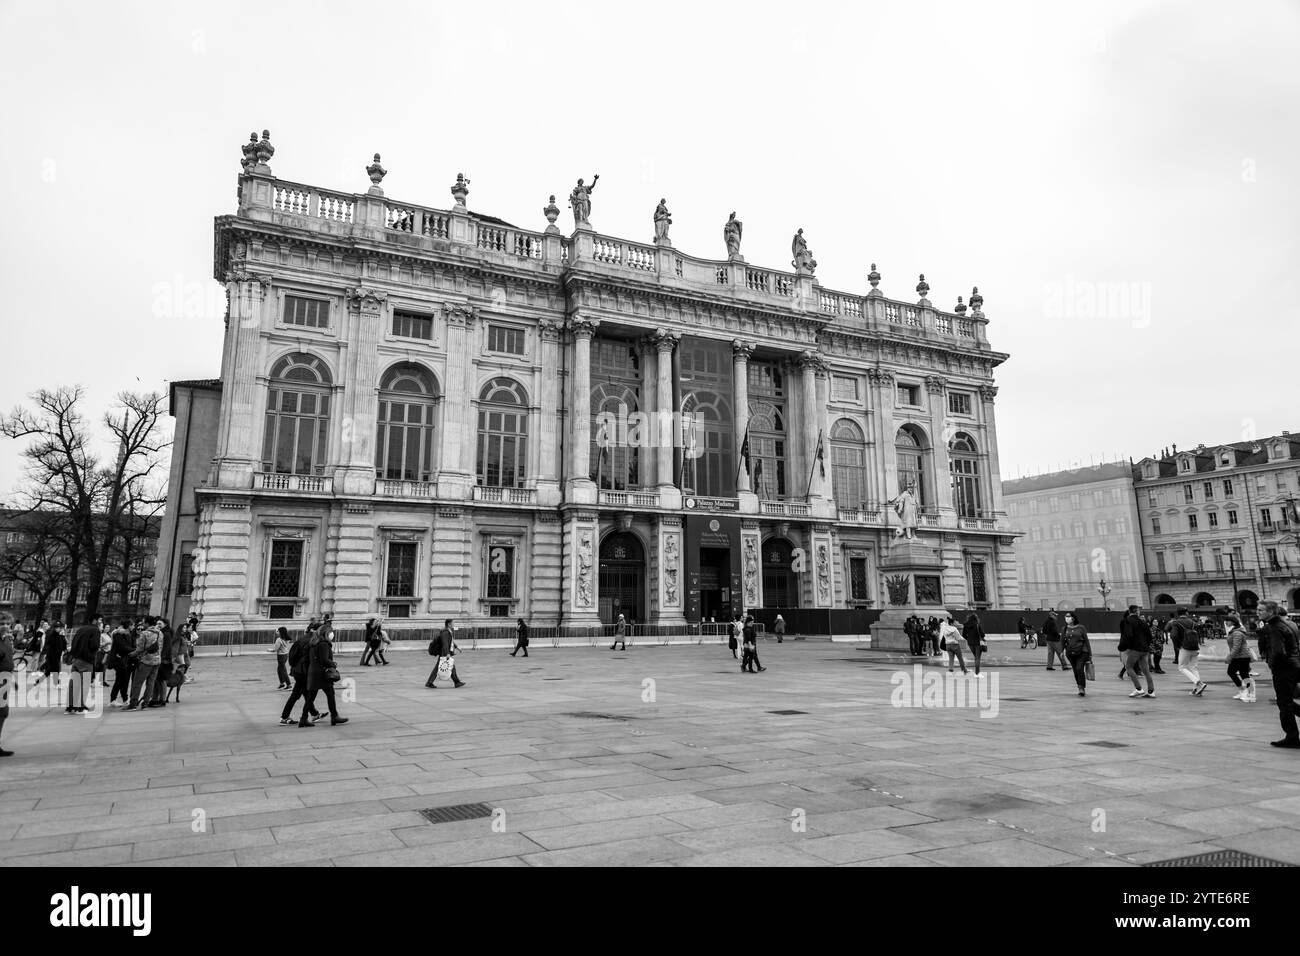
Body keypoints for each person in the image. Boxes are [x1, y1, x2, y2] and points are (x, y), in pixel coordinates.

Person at [1256, 601, 1300, 748]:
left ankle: (1292, 736)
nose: (1258, 612)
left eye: (1261, 610)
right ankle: (1292, 736)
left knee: (1284, 702)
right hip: (1295, 664)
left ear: (1271, 612)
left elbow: (1278, 651)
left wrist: (1272, 664)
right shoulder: (1289, 623)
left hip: (1284, 668)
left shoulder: (1273, 627)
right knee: (1287, 700)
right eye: (1258, 610)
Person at [298, 624, 347, 727]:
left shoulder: (314, 642)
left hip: (313, 672)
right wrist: (333, 664)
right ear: (326, 633)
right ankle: (334, 716)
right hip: (322, 674)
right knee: (330, 695)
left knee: (311, 697)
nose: (332, 634)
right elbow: (324, 660)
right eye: (331, 632)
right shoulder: (324, 644)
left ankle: (303, 718)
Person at [281, 627, 321, 725]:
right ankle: (285, 717)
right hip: (304, 672)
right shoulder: (312, 642)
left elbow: (292, 656)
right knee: (297, 695)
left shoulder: (301, 639)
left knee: (304, 693)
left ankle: (314, 713)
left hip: (297, 671)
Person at [1118, 605, 1156, 699]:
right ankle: (1151, 691)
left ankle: (1138, 689)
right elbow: (1150, 637)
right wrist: (1145, 645)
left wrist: (1122, 646)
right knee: (1146, 670)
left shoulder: (1128, 621)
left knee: (1129, 667)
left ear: (1129, 611)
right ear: (1137, 612)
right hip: (1145, 649)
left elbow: (1127, 635)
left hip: (1135, 649)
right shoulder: (1143, 622)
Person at [125, 618, 163, 711]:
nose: (143, 624)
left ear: (147, 623)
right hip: (157, 661)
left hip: (146, 661)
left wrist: (131, 654)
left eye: (144, 622)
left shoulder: (145, 634)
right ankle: (145, 704)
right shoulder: (160, 633)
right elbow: (160, 647)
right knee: (151, 683)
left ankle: (133, 704)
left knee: (137, 683)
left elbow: (140, 649)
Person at [66, 613, 100, 714]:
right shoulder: (95, 630)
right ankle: (80, 707)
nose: (101, 623)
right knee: (84, 685)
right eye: (100, 620)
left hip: (77, 660)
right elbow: (95, 645)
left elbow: (74, 643)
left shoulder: (81, 629)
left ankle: (70, 707)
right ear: (95, 620)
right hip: (87, 660)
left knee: (73, 684)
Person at [1171, 607, 1207, 696]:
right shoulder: (1193, 622)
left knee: (1182, 667)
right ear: (1186, 613)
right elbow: (1198, 634)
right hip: (1195, 647)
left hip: (1185, 647)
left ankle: (1199, 683)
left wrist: (1178, 645)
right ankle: (1196, 689)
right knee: (1193, 667)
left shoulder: (1176, 623)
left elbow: (1174, 636)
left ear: (1178, 614)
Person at [426, 619, 465, 689]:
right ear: (449, 624)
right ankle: (457, 682)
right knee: (449, 666)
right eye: (453, 623)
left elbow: (450, 642)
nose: (454, 624)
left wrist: (457, 648)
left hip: (445, 652)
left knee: (445, 667)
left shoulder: (448, 632)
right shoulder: (445, 633)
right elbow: (445, 643)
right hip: (444, 653)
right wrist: (447, 653)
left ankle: (430, 682)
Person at [1224, 614, 1255, 703]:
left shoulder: (1237, 632)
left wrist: (1229, 657)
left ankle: (1248, 692)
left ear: (1233, 622)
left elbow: (1236, 647)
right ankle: (1245, 691)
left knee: (1239, 673)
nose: (1226, 622)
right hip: (1240, 656)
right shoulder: (1234, 630)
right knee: (1242, 674)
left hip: (1241, 656)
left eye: (1227, 621)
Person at [1061, 610, 1093, 697]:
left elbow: (1086, 640)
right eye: (1066, 616)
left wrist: (1090, 654)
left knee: (1079, 669)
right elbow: (1062, 641)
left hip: (1082, 652)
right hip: (1070, 653)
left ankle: (1082, 688)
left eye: (1068, 616)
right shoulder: (1064, 628)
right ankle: (1079, 686)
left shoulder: (1081, 628)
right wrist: (1061, 651)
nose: (1067, 618)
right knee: (1075, 670)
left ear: (1073, 618)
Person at [108, 618, 134, 705]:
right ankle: (122, 699)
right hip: (119, 660)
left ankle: (117, 699)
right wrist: (134, 650)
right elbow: (122, 647)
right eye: (132, 625)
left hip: (122, 660)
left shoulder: (125, 634)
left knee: (120, 680)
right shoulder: (119, 634)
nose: (133, 627)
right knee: (122, 680)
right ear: (128, 626)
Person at [0, 618, 15, 756]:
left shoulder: (5, 641)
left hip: (5, 679)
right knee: (1, 711)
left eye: (7, 624)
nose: (5, 626)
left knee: (3, 712)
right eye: (1, 624)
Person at [38, 619, 66, 687]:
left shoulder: (60, 636)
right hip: (52, 656)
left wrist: (65, 648)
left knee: (49, 671)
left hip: (57, 655)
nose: (58, 629)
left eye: (59, 627)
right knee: (55, 670)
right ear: (54, 628)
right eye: (57, 627)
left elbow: (63, 645)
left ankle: (38, 681)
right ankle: (57, 684)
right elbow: (48, 645)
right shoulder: (52, 635)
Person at [963, 613, 987, 678]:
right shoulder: (977, 624)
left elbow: (963, 635)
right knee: (977, 658)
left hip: (970, 643)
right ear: (975, 618)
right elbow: (982, 634)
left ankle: (977, 672)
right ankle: (977, 673)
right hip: (978, 643)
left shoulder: (966, 625)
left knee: (976, 657)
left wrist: (968, 639)